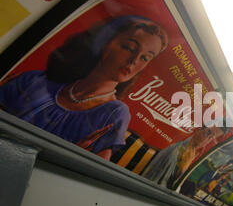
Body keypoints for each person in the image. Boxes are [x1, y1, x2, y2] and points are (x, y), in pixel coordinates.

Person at [0, 15, 168, 160]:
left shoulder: (114, 113)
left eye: (145, 58)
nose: (134, 60)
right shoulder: (34, 80)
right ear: (104, 42)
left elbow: (89, 173)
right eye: (128, 48)